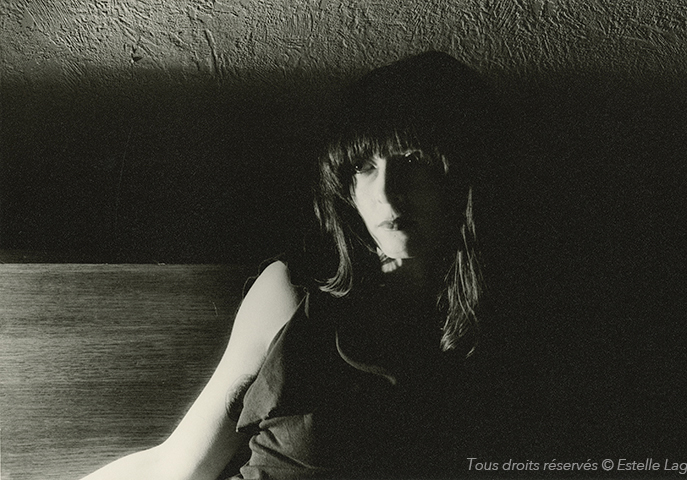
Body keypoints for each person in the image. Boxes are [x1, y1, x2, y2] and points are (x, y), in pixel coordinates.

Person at [81, 51, 498, 480]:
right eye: (364, 166)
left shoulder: (510, 326)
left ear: (461, 171)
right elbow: (177, 464)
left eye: (412, 160)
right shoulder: (291, 293)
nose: (387, 193)